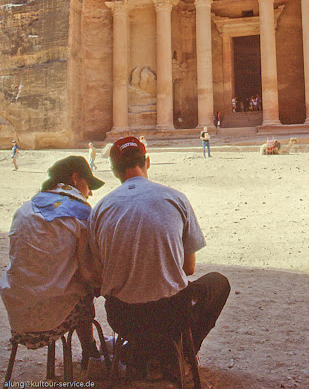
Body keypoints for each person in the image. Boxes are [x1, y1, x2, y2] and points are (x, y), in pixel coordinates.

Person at [88, 137, 230, 379]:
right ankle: (181, 355)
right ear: (148, 162)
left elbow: (98, 271)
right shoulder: (175, 198)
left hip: (122, 317)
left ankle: (143, 355)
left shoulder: (100, 208)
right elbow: (188, 268)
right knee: (218, 283)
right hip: (171, 314)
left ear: (114, 171)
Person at [0, 156, 105, 368]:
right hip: (52, 321)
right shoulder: (82, 214)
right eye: (88, 184)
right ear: (75, 178)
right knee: (86, 290)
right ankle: (90, 351)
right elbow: (87, 274)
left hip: (18, 317)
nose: (90, 192)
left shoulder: (26, 208)